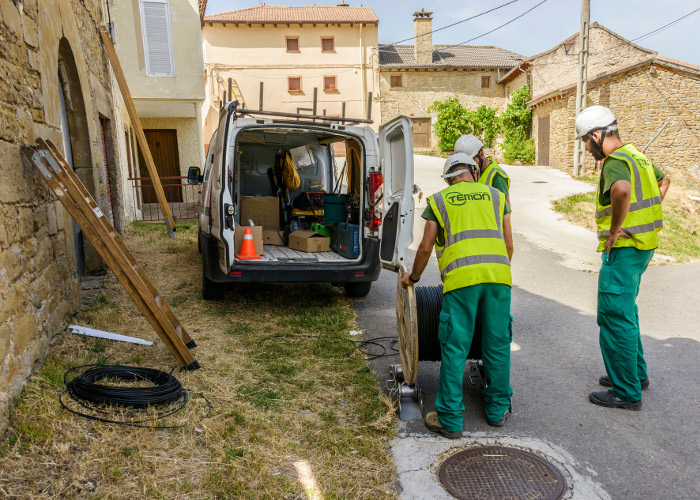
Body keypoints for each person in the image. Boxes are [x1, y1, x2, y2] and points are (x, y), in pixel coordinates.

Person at [401, 153, 514, 438]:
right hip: (499, 278)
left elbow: (425, 247)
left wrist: (412, 278)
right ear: (474, 173)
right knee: (498, 345)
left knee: (454, 347)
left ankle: (450, 419)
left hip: (462, 281)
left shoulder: (440, 200)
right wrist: (494, 272)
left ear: (449, 178)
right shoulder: (497, 196)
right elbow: (508, 244)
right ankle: (497, 410)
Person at [574, 105, 670, 411]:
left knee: (614, 315)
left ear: (597, 135)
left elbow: (622, 192)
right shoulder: (636, 155)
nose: (586, 148)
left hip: (625, 251)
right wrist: (644, 215)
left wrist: (616, 230)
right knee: (626, 311)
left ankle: (626, 391)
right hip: (644, 246)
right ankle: (635, 375)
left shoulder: (615, 161)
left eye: (585, 142)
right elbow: (664, 181)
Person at [455, 134, 512, 208]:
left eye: (471, 160)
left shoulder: (497, 175)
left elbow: (505, 209)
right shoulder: (472, 172)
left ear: (481, 154)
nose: (468, 165)